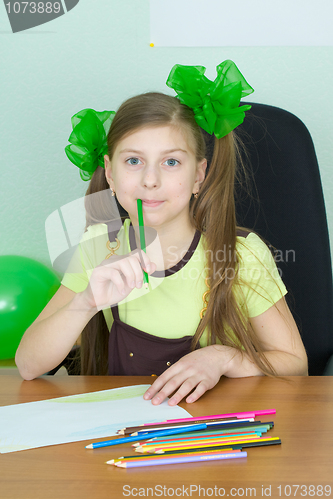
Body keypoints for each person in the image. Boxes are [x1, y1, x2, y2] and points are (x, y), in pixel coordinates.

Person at [15, 60, 308, 405]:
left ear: (198, 175)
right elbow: (28, 365)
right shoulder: (99, 247)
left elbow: (296, 364)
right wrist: (87, 301)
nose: (150, 180)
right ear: (109, 173)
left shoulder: (241, 254)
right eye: (133, 161)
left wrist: (223, 357)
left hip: (213, 433)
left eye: (171, 162)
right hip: (126, 434)